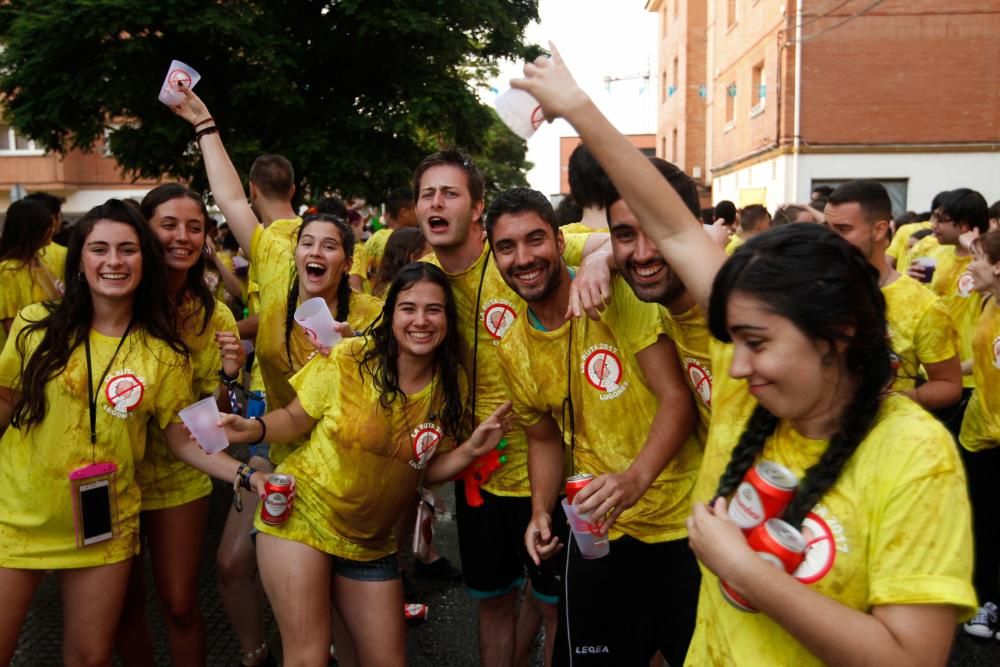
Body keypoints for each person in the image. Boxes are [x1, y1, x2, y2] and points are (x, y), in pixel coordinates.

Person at [512, 44, 974, 665]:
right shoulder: (748, 390)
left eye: (757, 343)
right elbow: (675, 231)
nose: (734, 362)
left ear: (836, 337)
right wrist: (578, 109)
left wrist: (745, 570)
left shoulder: (915, 455)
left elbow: (911, 657)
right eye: (735, 338)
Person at [170, 85, 384, 667]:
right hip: (278, 446)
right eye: (306, 243)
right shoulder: (273, 263)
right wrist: (204, 122)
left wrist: (354, 345)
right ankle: (254, 651)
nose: (314, 252)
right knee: (232, 563)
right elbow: (234, 200)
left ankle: (331, 649)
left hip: (344, 462)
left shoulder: (370, 318)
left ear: (348, 259)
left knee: (332, 578)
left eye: (330, 246)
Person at [0, 200, 267, 666]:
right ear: (79, 259)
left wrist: (246, 476)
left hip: (104, 524)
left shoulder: (164, 353)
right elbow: (5, 404)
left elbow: (184, 436)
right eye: (99, 249)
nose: (113, 261)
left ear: (145, 260)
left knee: (90, 658)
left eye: (127, 250)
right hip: (16, 516)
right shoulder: (32, 328)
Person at [219, 262, 513, 666]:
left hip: (371, 543)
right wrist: (250, 429)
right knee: (309, 655)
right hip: (302, 518)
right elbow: (293, 419)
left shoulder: (451, 384)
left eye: (434, 309)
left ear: (448, 319)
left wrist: (471, 450)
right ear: (391, 315)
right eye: (408, 308)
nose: (421, 321)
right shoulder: (351, 357)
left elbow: (418, 469)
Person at [487, 187, 700, 666]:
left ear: (560, 242)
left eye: (535, 240)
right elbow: (542, 437)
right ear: (496, 257)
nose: (524, 258)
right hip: (600, 535)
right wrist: (541, 511)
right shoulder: (513, 348)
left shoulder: (618, 294)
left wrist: (634, 478)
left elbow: (676, 398)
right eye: (507, 247)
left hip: (682, 529)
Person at [413, 149, 608, 667]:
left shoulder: (515, 254)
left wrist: (600, 261)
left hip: (553, 467)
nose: (437, 202)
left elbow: (618, 240)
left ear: (476, 208)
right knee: (493, 602)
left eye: (449, 193)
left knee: (554, 610)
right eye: (427, 194)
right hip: (479, 474)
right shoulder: (421, 282)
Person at [114, 184, 242, 667]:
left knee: (181, 604)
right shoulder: (114, 302)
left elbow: (218, 421)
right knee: (123, 607)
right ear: (145, 230)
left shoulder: (214, 315)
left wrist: (229, 380)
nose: (182, 237)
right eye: (169, 224)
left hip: (179, 477)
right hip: (111, 472)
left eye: (195, 227)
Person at [824, 180, 962, 411]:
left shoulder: (923, 305)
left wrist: (890, 401)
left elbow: (948, 385)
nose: (831, 239)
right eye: (828, 228)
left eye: (844, 229)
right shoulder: (813, 286)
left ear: (878, 230)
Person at [907, 188, 990, 432]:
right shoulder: (933, 251)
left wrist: (977, 251)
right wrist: (908, 281)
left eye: (941, 220)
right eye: (933, 218)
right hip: (931, 367)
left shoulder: (987, 262)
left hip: (971, 375)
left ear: (963, 225)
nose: (933, 226)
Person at [958, 230, 1000, 639]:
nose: (970, 266)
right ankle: (986, 602)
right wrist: (951, 371)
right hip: (979, 433)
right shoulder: (988, 303)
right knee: (984, 522)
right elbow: (982, 356)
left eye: (977, 258)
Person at [0, 199, 65, 338]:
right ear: (33, 230)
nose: (52, 229)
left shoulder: (40, 261)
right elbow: (12, 327)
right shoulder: (9, 271)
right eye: (48, 226)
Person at [350, 187, 419, 293]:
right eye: (416, 208)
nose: (420, 212)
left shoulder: (375, 237)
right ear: (404, 212)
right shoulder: (413, 240)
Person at [371, 227, 430, 298]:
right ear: (414, 258)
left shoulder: (386, 287)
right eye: (430, 256)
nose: (435, 260)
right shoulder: (408, 294)